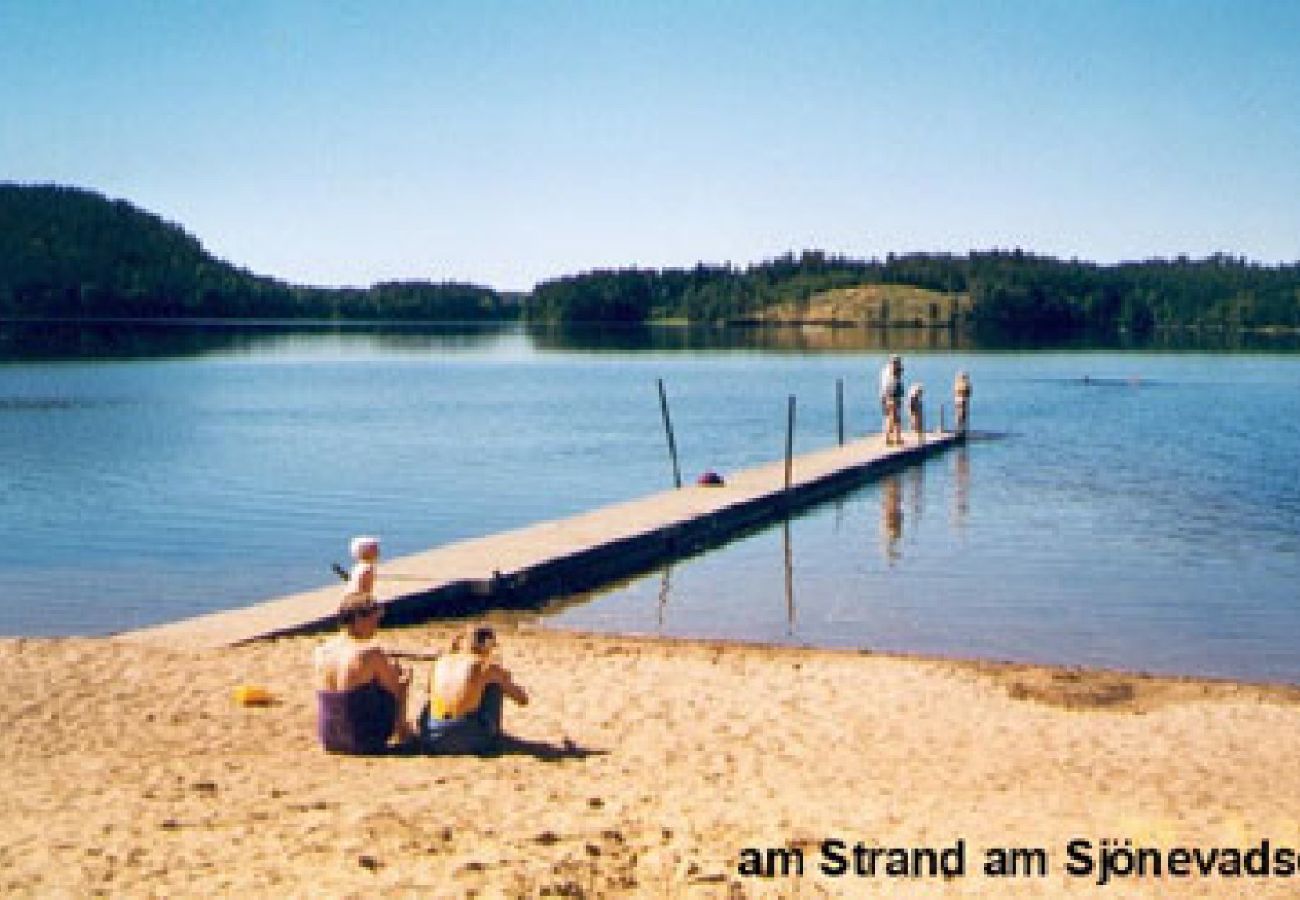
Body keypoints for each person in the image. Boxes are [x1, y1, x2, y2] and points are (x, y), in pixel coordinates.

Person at [314, 592, 414, 754]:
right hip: (363, 739)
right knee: (400, 685)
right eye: (374, 620)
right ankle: (403, 731)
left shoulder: (322, 650)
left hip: (329, 738)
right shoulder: (370, 653)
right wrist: (402, 679)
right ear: (360, 619)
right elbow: (394, 689)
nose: (376, 626)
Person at [420, 625, 528, 755]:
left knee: (437, 697)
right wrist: (503, 677)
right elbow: (522, 699)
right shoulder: (484, 666)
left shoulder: (440, 661)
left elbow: (429, 692)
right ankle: (491, 736)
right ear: (487, 643)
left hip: (431, 737)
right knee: (494, 687)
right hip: (466, 738)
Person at [879, 355, 904, 446]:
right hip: (891, 396)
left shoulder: (886, 370)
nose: (899, 364)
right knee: (893, 418)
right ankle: (891, 438)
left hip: (889, 396)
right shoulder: (891, 372)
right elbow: (891, 387)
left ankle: (894, 438)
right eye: (898, 362)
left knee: (892, 418)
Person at [348, 535, 380, 600]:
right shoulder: (368, 569)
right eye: (375, 549)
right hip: (358, 600)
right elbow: (365, 590)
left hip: (350, 598)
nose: (378, 551)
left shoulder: (358, 566)